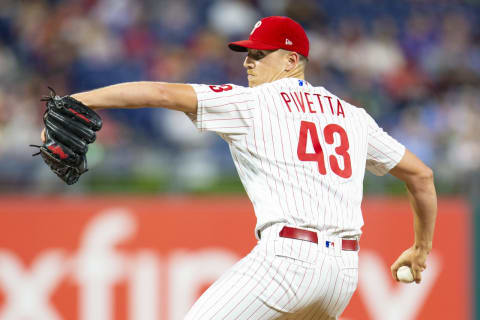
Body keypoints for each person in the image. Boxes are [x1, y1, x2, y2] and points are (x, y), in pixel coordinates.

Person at [41, 16, 437, 319]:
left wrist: (78, 98)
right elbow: (421, 175)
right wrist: (421, 250)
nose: (248, 62)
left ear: (291, 60)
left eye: (260, 54)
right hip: (343, 272)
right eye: (247, 53)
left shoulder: (252, 104)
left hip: (287, 260)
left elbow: (160, 92)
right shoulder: (354, 116)